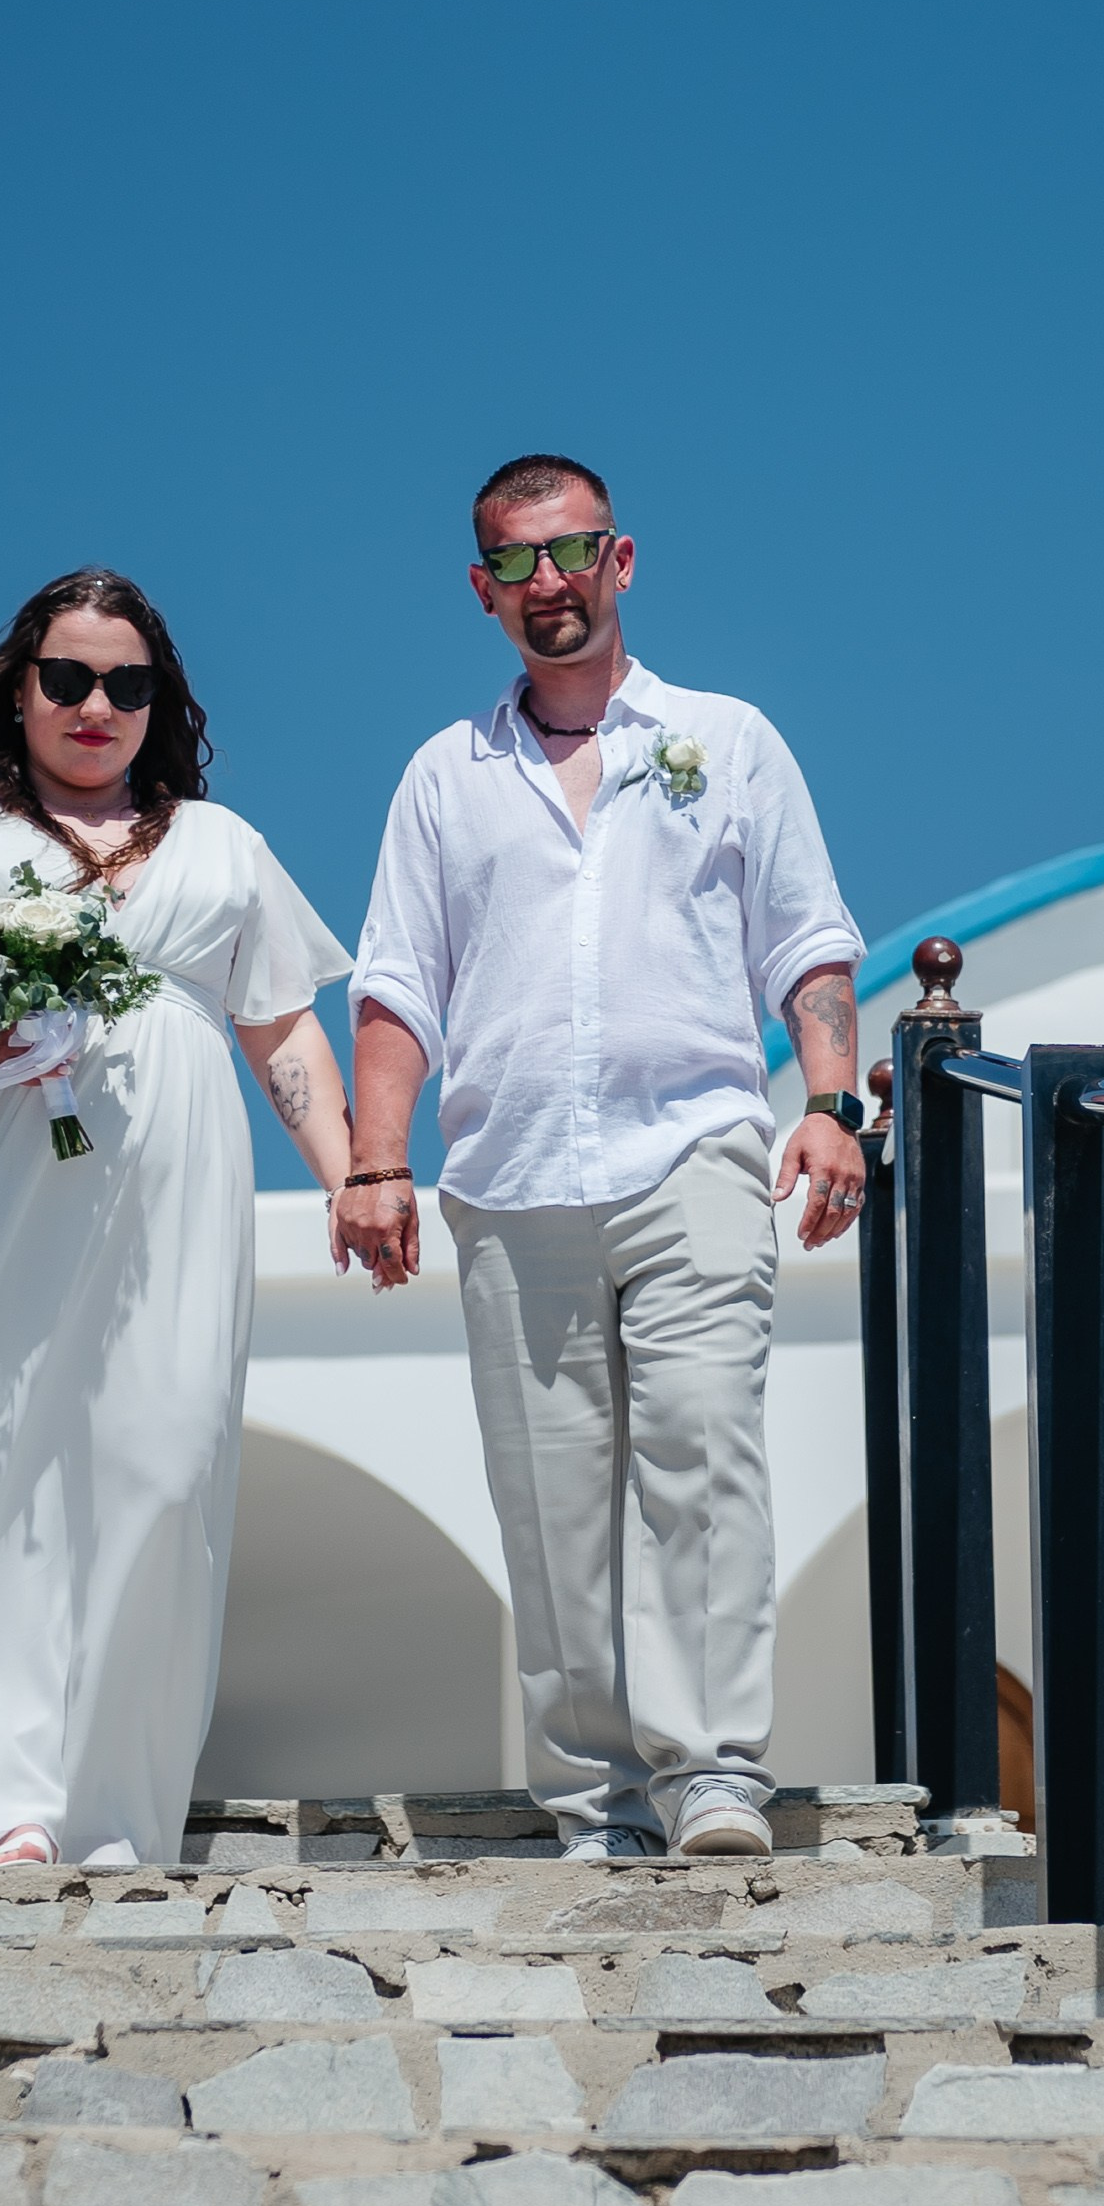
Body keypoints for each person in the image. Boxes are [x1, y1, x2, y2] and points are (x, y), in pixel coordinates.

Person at [336, 455, 868, 1864]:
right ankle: (596, 1801)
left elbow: (807, 939)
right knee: (551, 1501)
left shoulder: (727, 740)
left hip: (694, 1152)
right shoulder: (443, 777)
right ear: (483, 589)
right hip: (510, 1180)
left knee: (705, 1449)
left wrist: (833, 1102)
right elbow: (397, 983)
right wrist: (375, 1163)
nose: (548, 583)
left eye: (571, 551)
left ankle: (713, 1773)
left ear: (620, 560)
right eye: (516, 562)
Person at [0, 568, 354, 1871]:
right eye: (67, 677)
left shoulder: (222, 845)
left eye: (127, 683)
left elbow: (281, 1027)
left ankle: (111, 1805)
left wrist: (354, 1177)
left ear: (161, 700)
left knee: (161, 1463)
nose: (95, 704)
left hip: (176, 1186)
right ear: (20, 687)